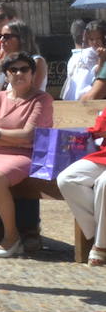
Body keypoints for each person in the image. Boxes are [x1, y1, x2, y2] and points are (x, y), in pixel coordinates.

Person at [0, 52, 54, 258]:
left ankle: (12, 238)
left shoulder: (42, 99)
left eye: (24, 69)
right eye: (13, 70)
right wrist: (5, 136)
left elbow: (29, 136)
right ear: (6, 74)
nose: (19, 73)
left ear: (32, 73)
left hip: (28, 155)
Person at [55, 105, 106, 266]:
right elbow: (100, 126)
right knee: (67, 179)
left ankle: (101, 246)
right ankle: (100, 232)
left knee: (103, 183)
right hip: (103, 155)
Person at [0, 21, 47, 92]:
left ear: (22, 38)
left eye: (7, 37)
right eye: (0, 36)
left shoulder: (36, 61)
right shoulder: (2, 63)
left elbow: (30, 92)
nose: (1, 40)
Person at [62, 20, 106, 100]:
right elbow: (97, 74)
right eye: (92, 39)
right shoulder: (89, 53)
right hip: (83, 99)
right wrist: (102, 59)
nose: (95, 42)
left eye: (98, 38)